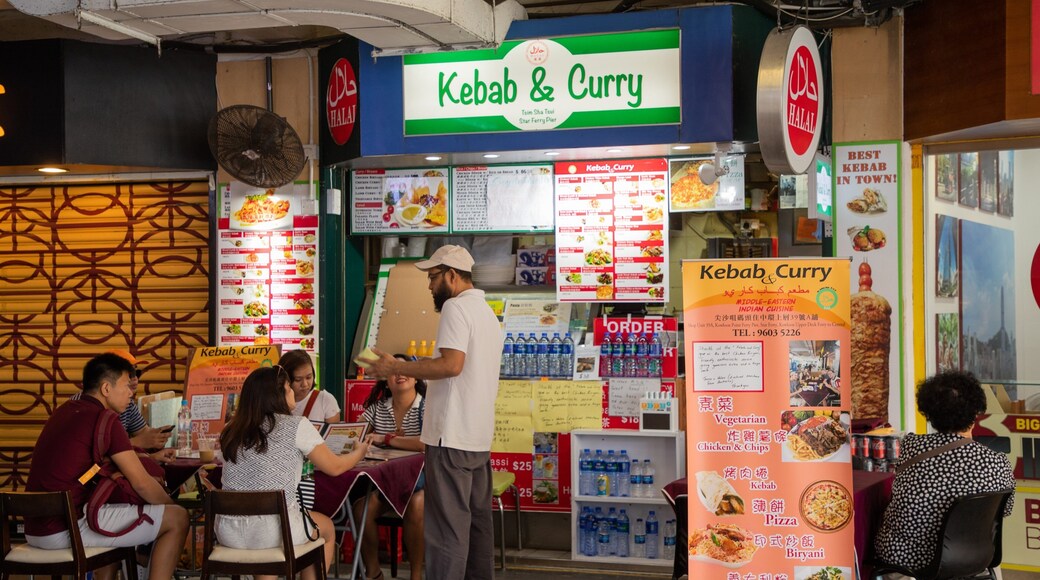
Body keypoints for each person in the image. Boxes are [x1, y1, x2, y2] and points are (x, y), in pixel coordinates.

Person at [360, 244, 503, 580]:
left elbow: (451, 365)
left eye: (434, 277)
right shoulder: (487, 313)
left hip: (450, 435)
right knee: (478, 526)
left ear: (452, 276)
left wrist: (397, 366)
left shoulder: (455, 308)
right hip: (477, 438)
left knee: (447, 531)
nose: (428, 285)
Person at [26, 352, 188, 580]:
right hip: (66, 528)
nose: (131, 393)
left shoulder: (63, 411)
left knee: (115, 516)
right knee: (177, 519)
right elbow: (141, 483)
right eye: (125, 386)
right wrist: (170, 506)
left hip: (34, 528)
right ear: (106, 389)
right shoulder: (105, 419)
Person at [218, 365, 370, 580]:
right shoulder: (296, 425)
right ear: (278, 394)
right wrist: (359, 452)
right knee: (325, 528)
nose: (294, 392)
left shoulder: (231, 429)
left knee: (266, 539)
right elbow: (335, 467)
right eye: (289, 387)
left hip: (228, 531)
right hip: (273, 530)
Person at [875, 371, 1015, 571]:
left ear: (929, 412)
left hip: (907, 557)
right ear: (976, 413)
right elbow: (1005, 510)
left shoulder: (911, 447)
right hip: (975, 556)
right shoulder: (998, 462)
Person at [354, 354, 427, 580]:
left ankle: (415, 575)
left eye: (405, 369)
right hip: (387, 482)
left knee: (416, 504)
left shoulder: (426, 407)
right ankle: (374, 571)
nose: (400, 374)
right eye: (393, 370)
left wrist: (386, 439)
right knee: (361, 509)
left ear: (416, 379)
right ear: (386, 380)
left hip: (421, 481)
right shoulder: (377, 409)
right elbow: (355, 434)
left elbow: (425, 443)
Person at [70, 349, 172, 450]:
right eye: (130, 373)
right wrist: (138, 442)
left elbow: (143, 431)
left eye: (137, 372)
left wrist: (156, 438)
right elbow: (95, 452)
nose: (135, 378)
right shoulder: (82, 406)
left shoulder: (127, 404)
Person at [280, 349, 340, 423]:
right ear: (285, 380)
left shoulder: (325, 400)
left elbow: (333, 433)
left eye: (309, 377)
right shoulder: (273, 403)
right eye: (298, 379)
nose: (305, 384)